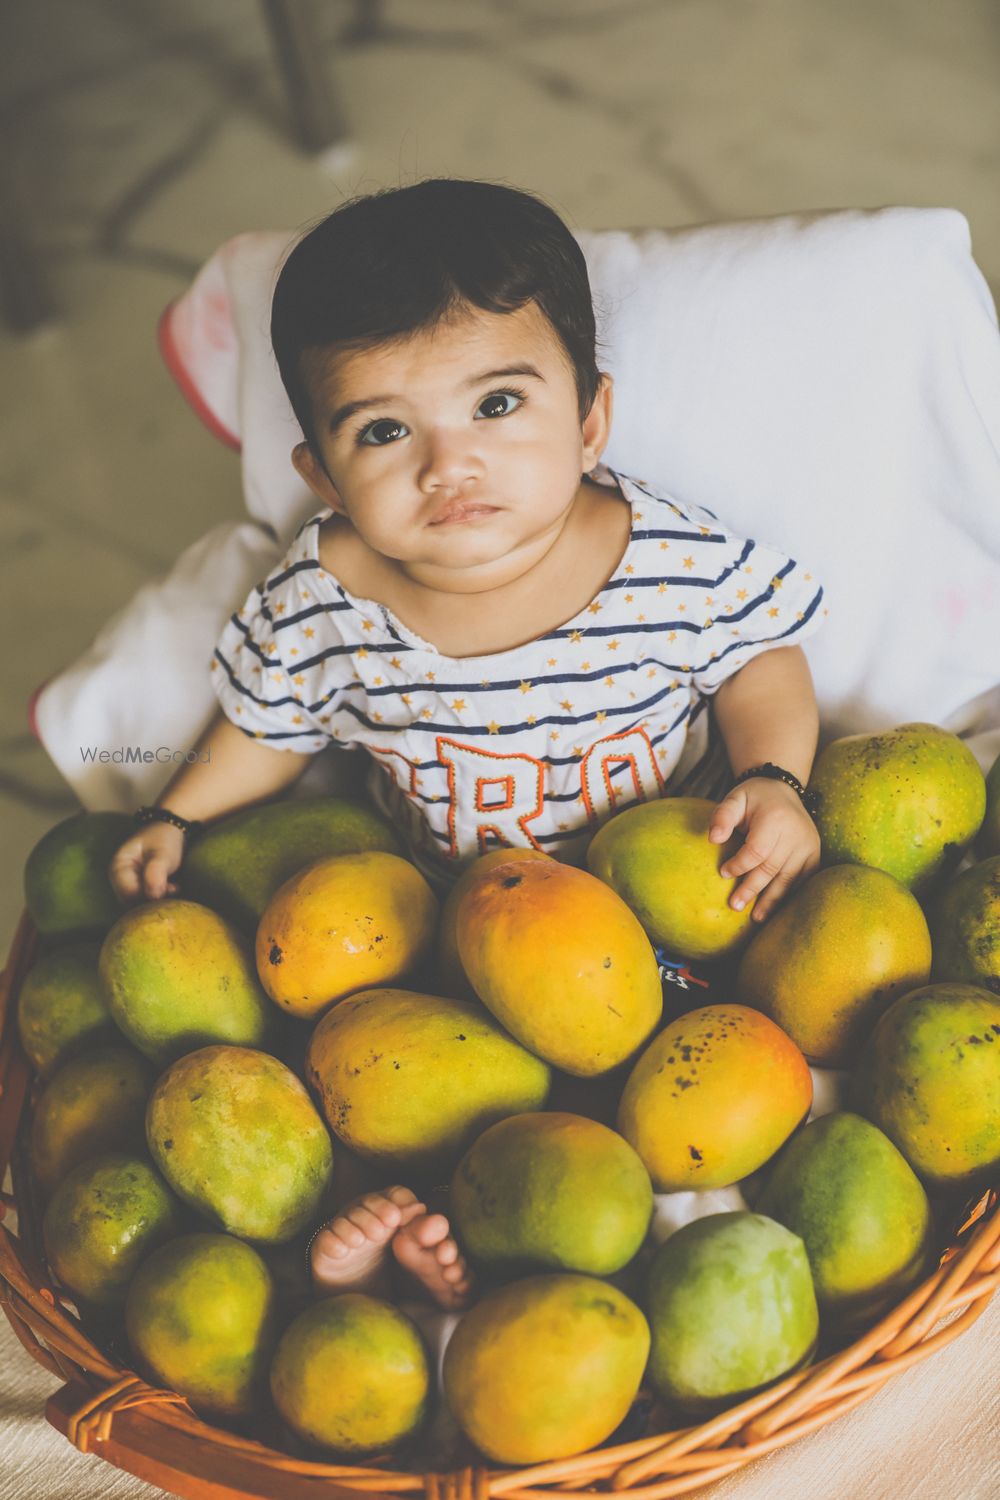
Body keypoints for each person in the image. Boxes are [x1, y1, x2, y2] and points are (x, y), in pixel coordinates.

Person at [107, 177, 826, 1308]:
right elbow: (263, 722)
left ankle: (622, 1243)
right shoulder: (326, 595)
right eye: (384, 431)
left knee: (706, 1063)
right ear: (324, 477)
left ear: (589, 420)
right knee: (369, 1071)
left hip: (666, 914)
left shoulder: (664, 558)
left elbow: (759, 659)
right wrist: (175, 815)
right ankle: (415, 1248)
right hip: (449, 924)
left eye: (497, 406)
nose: (449, 464)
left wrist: (774, 780)